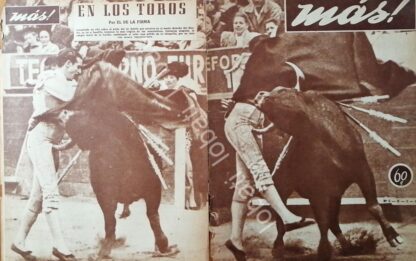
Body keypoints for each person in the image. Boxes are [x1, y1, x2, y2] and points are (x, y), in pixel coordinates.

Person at [223, 71, 315, 260]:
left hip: (250, 123)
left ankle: (235, 240)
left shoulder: (272, 74)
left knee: (244, 185)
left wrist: (266, 127)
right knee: (259, 169)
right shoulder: (263, 70)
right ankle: (288, 218)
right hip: (242, 120)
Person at [11, 49, 82, 261]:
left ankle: (19, 241)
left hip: (50, 141)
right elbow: (73, 98)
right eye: (77, 66)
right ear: (67, 63)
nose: (78, 70)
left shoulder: (60, 81)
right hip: (41, 140)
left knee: (38, 196)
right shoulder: (52, 79)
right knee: (50, 192)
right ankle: (60, 247)